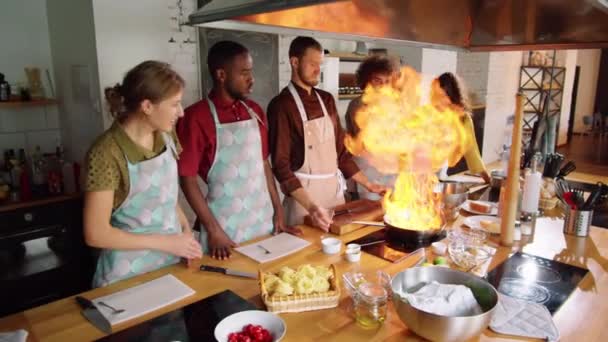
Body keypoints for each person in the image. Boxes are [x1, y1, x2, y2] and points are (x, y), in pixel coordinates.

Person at [84, 61, 202, 288]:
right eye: (175, 104)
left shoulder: (167, 136)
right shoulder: (106, 153)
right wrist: (167, 243)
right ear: (147, 106)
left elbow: (165, 196)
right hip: (127, 277)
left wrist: (186, 233)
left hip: (170, 266)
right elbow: (95, 233)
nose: (182, 112)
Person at [177, 41, 297, 261]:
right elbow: (187, 179)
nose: (251, 80)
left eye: (251, 72)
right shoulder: (196, 117)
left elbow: (263, 164)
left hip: (263, 221)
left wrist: (278, 210)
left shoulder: (255, 112)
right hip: (224, 229)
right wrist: (213, 230)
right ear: (221, 74)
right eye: (244, 73)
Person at [267, 36, 386, 231]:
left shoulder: (327, 100)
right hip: (304, 202)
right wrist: (312, 207)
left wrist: (369, 185)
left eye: (320, 64)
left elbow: (341, 153)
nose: (318, 70)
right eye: (312, 64)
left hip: (334, 197)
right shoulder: (281, 106)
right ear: (294, 62)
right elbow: (280, 166)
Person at [344, 55, 398, 200]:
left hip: (392, 172)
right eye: (377, 80)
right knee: (370, 213)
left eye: (387, 81)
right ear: (366, 81)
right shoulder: (358, 106)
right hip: (367, 174)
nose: (383, 86)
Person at [431, 72, 491, 183]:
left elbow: (472, 152)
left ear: (453, 96)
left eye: (444, 95)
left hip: (439, 177)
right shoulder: (428, 114)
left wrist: (488, 180)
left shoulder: (463, 119)